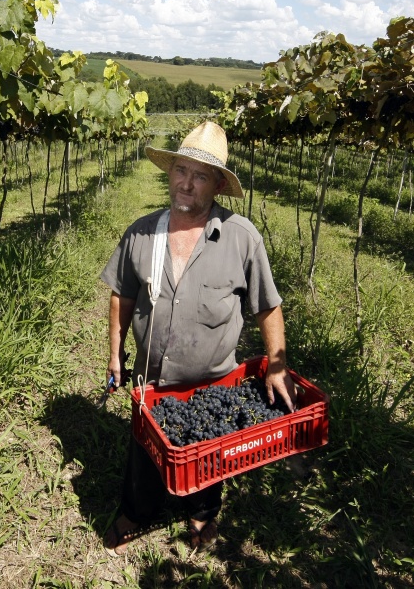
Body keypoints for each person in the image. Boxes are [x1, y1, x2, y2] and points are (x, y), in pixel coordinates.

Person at [99, 120, 296, 555]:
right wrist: (115, 354)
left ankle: (202, 512)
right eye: (180, 171)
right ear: (169, 174)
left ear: (218, 184)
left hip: (212, 385)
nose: (186, 183)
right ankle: (136, 511)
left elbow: (267, 305)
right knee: (144, 455)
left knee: (210, 456)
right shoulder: (141, 233)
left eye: (200, 175)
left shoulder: (241, 238)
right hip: (151, 382)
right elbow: (122, 296)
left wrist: (277, 363)